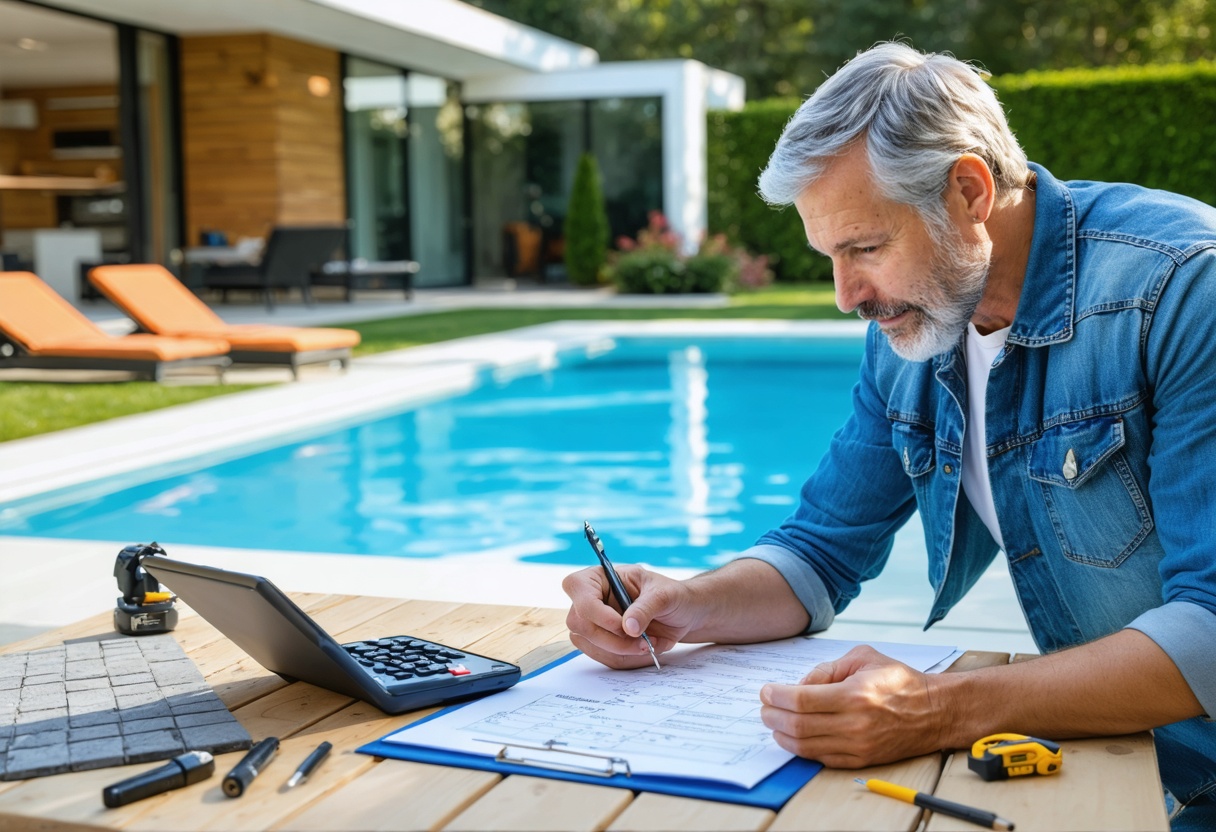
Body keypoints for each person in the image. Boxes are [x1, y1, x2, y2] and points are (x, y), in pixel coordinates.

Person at [562, 41, 1216, 828]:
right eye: (831, 256)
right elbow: (821, 549)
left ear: (968, 191)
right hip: (1131, 769)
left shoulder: (1183, 291)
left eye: (864, 248)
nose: (845, 297)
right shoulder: (922, 324)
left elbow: (1210, 630)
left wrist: (936, 709)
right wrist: (682, 605)